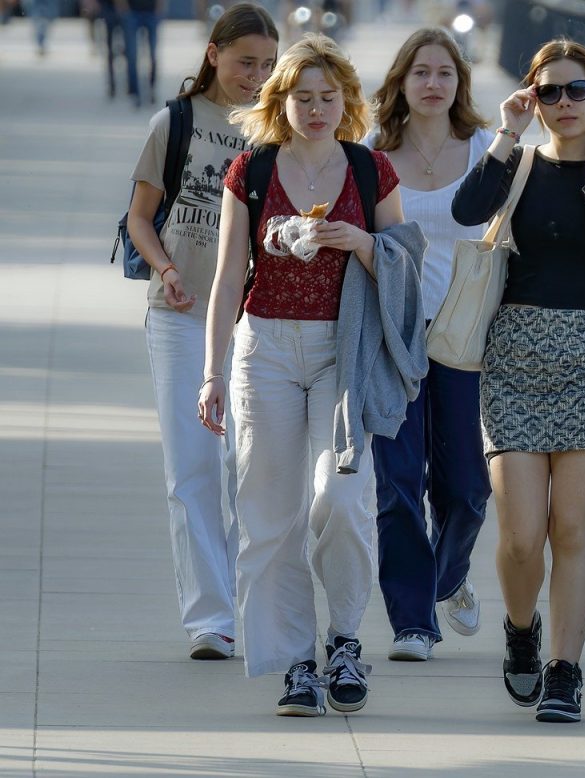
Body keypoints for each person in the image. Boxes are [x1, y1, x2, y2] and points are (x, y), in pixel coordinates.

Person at [199, 33, 422, 718]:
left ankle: (345, 639)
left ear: (346, 101)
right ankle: (294, 660)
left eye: (329, 97)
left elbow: (406, 265)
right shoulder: (253, 170)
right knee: (270, 516)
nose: (317, 108)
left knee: (344, 501)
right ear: (282, 101)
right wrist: (210, 374)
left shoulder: (369, 170)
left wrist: (361, 243)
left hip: (342, 353)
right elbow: (229, 276)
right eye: (304, 97)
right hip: (263, 349)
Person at [452, 38, 585, 723]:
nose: (562, 104)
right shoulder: (518, 163)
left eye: (577, 90)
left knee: (573, 528)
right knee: (519, 536)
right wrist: (506, 134)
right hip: (515, 355)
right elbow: (465, 209)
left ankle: (565, 671)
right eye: (549, 92)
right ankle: (519, 630)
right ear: (531, 98)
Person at [126, 2, 278, 662]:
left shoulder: (274, 130)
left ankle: (258, 605)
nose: (257, 76)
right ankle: (210, 619)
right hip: (179, 316)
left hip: (256, 321)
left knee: (253, 470)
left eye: (269, 65)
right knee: (192, 469)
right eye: (247, 62)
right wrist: (165, 268)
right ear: (214, 54)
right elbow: (138, 217)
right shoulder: (177, 122)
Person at [367, 27, 492, 662]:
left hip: (466, 340)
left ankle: (449, 577)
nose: (433, 83)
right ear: (401, 82)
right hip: (393, 338)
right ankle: (413, 621)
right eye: (420, 72)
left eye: (445, 72)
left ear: (459, 84)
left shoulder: (486, 150)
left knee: (468, 488)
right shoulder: (371, 153)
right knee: (397, 484)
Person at [124, 0, 162, 107]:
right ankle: (135, 92)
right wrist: (124, 8)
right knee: (132, 55)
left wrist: (159, 8)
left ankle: (151, 88)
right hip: (132, 12)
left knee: (153, 55)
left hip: (151, 12)